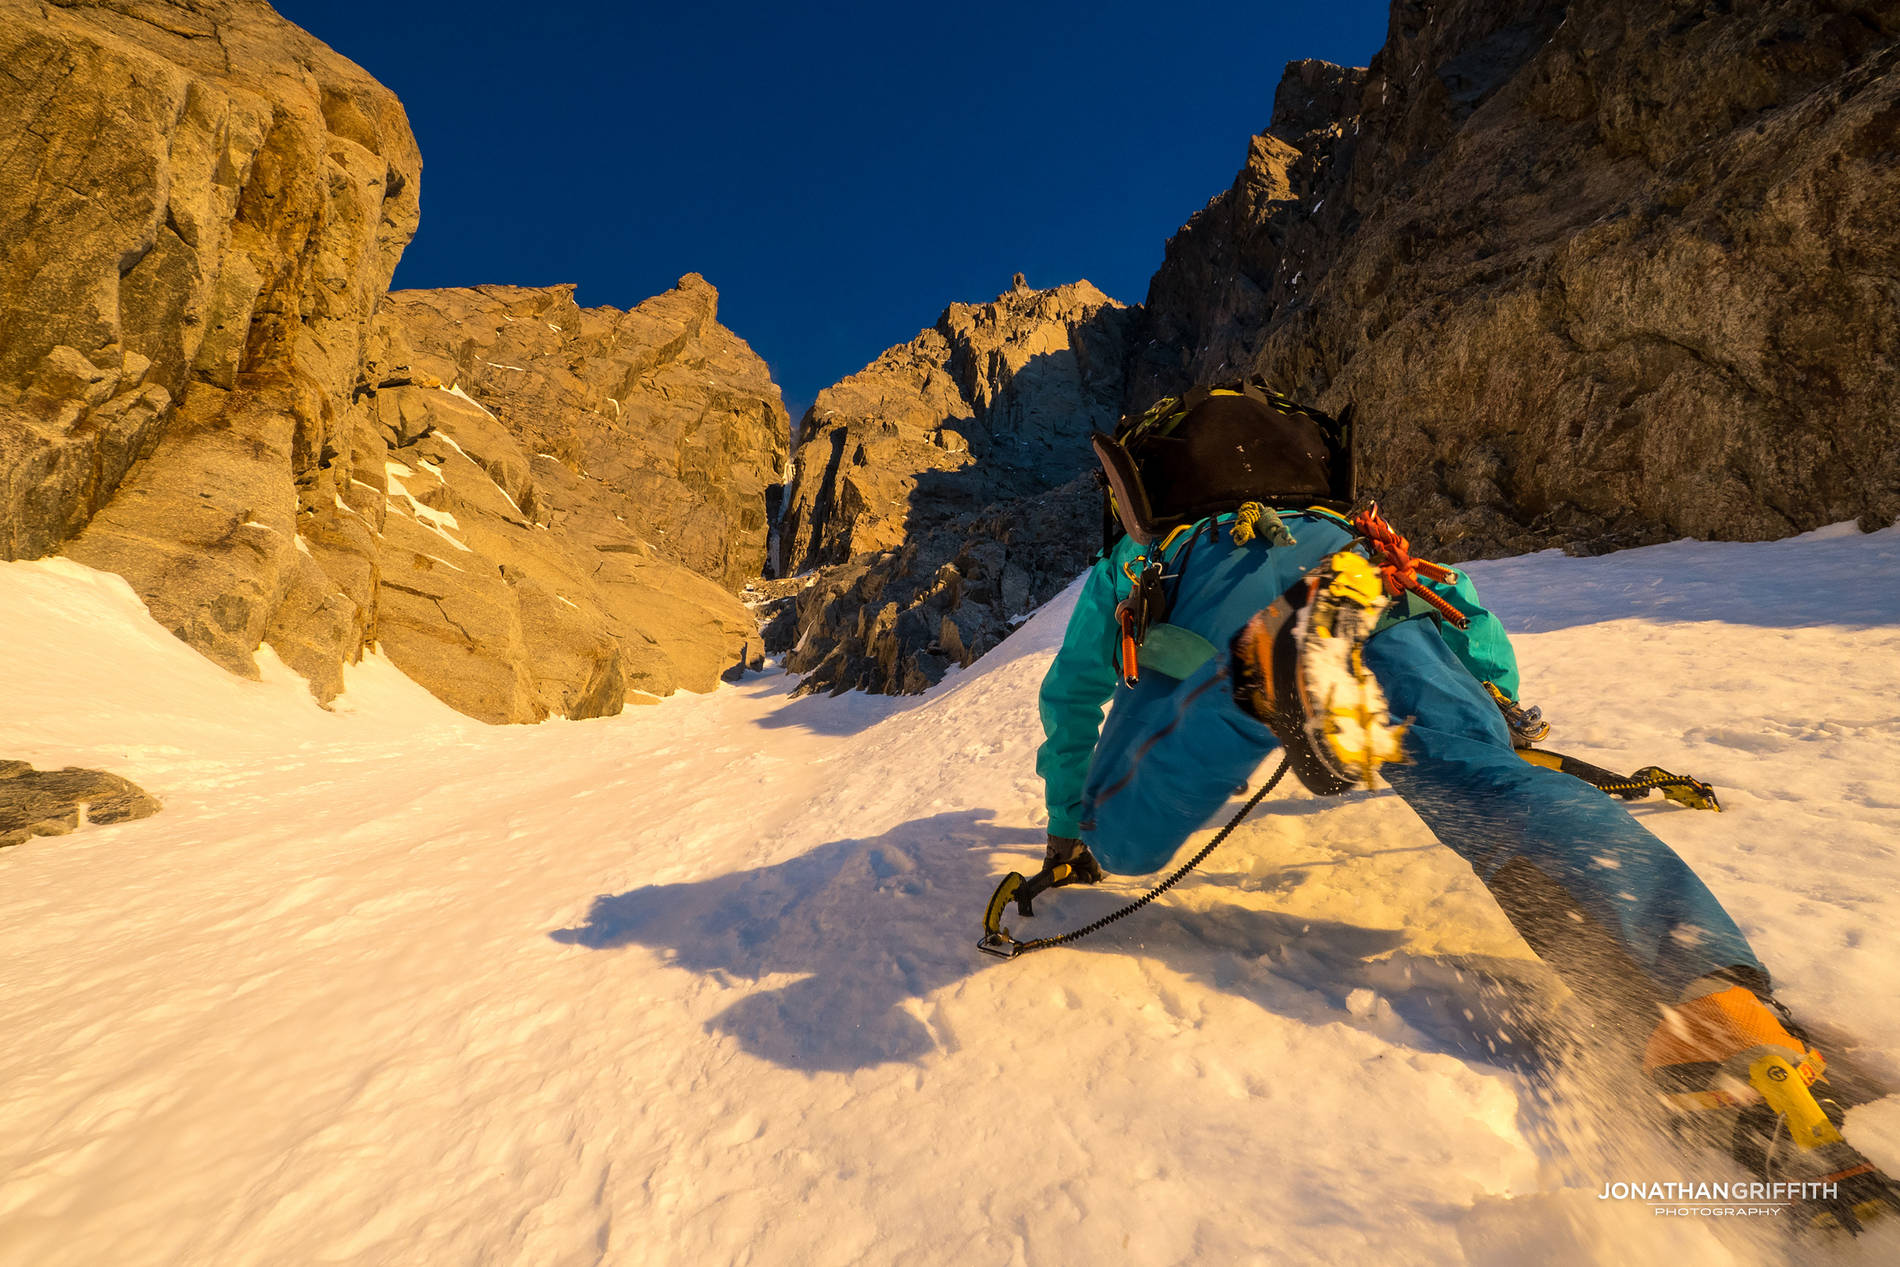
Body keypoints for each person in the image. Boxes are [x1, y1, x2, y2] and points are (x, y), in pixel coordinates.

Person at [1029, 378, 1889, 1224]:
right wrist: (1499, 714)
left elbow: (1072, 698)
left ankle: (1268, 674)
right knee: (1491, 790)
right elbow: (1463, 607)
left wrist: (1068, 828)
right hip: (1383, 597)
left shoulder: (1142, 558)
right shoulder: (1341, 523)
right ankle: (1715, 1001)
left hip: (1222, 606)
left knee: (1119, 829)